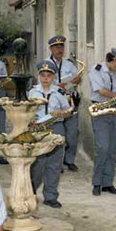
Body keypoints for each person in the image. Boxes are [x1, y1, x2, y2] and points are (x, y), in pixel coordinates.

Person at [88, 47, 116, 196]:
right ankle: (97, 183)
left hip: (115, 110)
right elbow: (101, 91)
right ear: (113, 60)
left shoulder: (115, 73)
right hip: (100, 110)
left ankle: (107, 183)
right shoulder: (97, 70)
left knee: (113, 148)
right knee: (103, 148)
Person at [29, 59, 71, 208]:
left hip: (56, 127)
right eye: (43, 75)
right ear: (39, 76)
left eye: (49, 75)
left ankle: (50, 195)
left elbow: (68, 111)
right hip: (38, 129)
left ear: (53, 77)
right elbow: (26, 111)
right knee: (38, 163)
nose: (46, 78)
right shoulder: (32, 92)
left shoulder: (59, 92)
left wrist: (61, 112)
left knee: (54, 163)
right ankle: (31, 192)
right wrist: (30, 120)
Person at [48, 35, 82, 172]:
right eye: (56, 47)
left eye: (61, 46)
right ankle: (57, 162)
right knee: (57, 134)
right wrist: (57, 85)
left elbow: (77, 79)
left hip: (69, 100)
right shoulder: (46, 64)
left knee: (72, 134)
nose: (59, 49)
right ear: (51, 48)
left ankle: (69, 160)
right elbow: (42, 82)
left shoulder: (69, 64)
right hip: (54, 102)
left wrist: (76, 80)